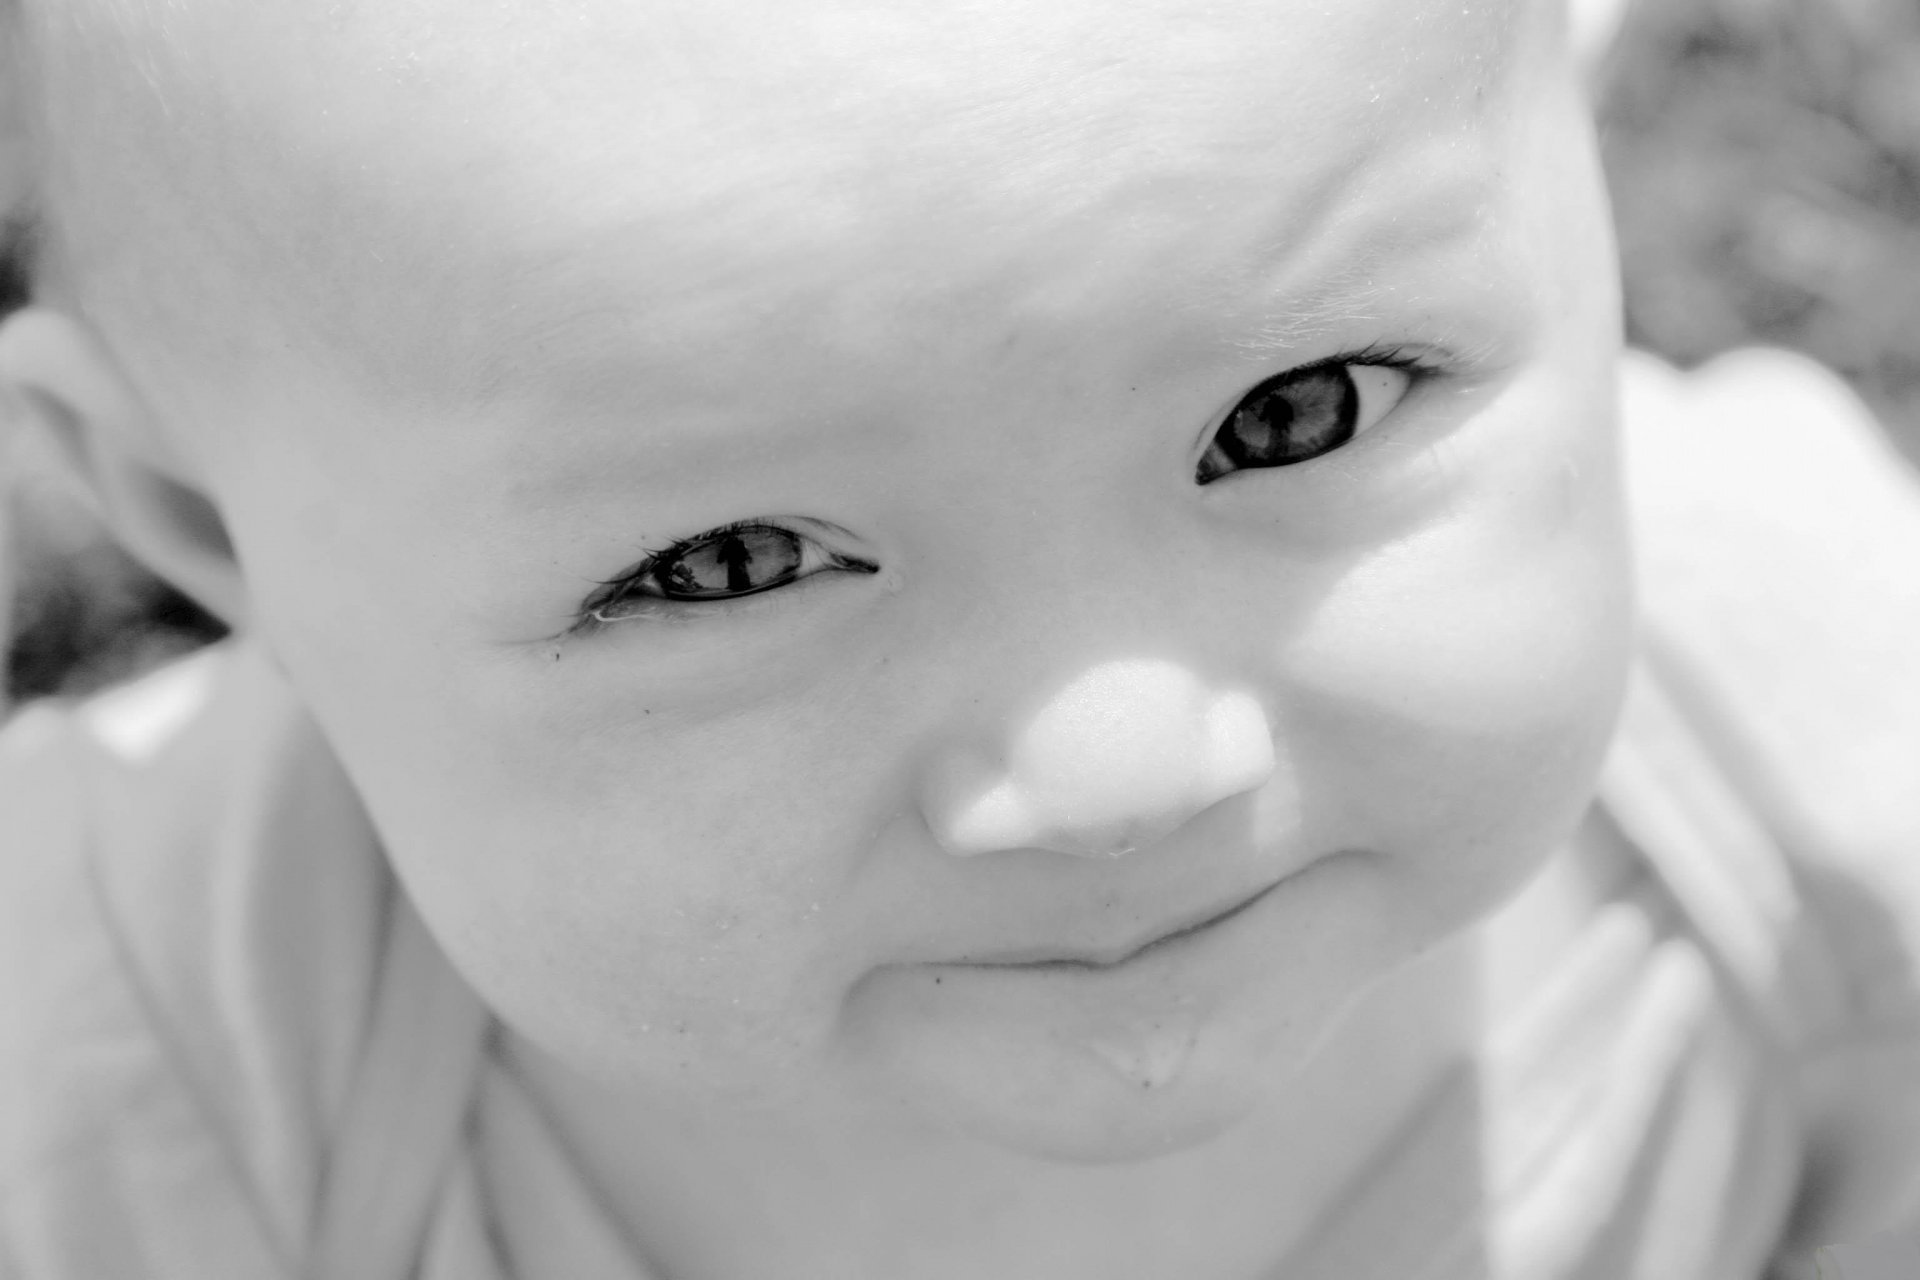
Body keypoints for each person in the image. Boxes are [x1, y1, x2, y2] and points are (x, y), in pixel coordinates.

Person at [0, 0, 1917, 1276]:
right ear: (187, 510)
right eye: (732, 563)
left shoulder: (1825, 789)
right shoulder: (129, 1068)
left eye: (1302, 410)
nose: (1118, 770)